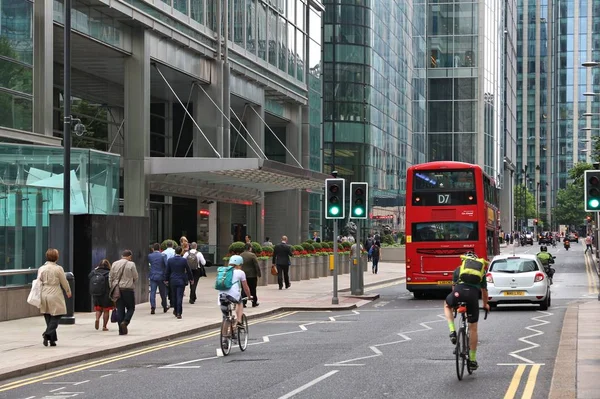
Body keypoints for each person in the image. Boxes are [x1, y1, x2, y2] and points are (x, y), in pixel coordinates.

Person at [443, 251, 490, 371]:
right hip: (472, 296)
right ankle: (473, 360)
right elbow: (484, 291)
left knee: (447, 305)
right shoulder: (481, 271)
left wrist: (455, 305)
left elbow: (453, 289)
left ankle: (452, 330)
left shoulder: (458, 269)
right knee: (473, 328)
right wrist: (485, 304)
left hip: (458, 293)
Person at [38, 248, 72, 347]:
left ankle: (52, 340)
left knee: (48, 316)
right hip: (55, 292)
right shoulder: (58, 268)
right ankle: (47, 334)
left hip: (44, 293)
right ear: (56, 257)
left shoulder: (41, 268)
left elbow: (38, 282)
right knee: (57, 315)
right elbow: (64, 281)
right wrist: (68, 291)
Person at [217, 255, 253, 334]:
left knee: (225, 317)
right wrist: (249, 296)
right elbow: (246, 287)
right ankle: (239, 321)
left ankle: (224, 340)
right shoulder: (240, 272)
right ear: (239, 264)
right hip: (233, 295)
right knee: (239, 302)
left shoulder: (223, 271)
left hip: (221, 295)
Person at [109, 250, 139, 335]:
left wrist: (112, 287)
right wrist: (132, 282)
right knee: (131, 308)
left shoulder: (114, 263)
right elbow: (136, 276)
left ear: (122, 255)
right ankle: (125, 322)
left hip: (117, 289)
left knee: (120, 309)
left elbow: (110, 277)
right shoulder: (131, 264)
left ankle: (121, 331)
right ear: (129, 256)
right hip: (128, 289)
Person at [165, 246, 194, 319]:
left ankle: (175, 310)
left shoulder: (170, 260)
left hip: (173, 280)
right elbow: (188, 270)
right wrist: (191, 279)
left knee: (174, 296)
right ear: (181, 252)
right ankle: (179, 313)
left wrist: (166, 279)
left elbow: (167, 271)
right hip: (181, 280)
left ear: (175, 252)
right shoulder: (183, 260)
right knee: (179, 297)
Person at [88, 259, 113, 331]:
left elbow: (89, 276)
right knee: (106, 310)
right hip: (106, 294)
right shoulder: (109, 273)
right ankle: (104, 326)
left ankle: (97, 319)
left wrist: (95, 269)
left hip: (96, 294)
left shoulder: (94, 272)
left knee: (98, 309)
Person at [148, 243, 169, 314]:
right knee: (162, 292)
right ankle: (164, 306)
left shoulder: (150, 256)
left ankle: (153, 307)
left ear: (153, 249)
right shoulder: (163, 255)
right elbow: (166, 266)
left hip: (153, 275)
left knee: (152, 292)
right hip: (161, 276)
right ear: (160, 248)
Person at [241, 243, 261, 307]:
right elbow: (256, 265)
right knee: (253, 289)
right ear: (250, 248)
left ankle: (243, 302)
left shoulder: (241, 255)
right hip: (252, 275)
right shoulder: (252, 255)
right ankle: (254, 302)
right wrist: (259, 273)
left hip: (243, 274)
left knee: (244, 288)